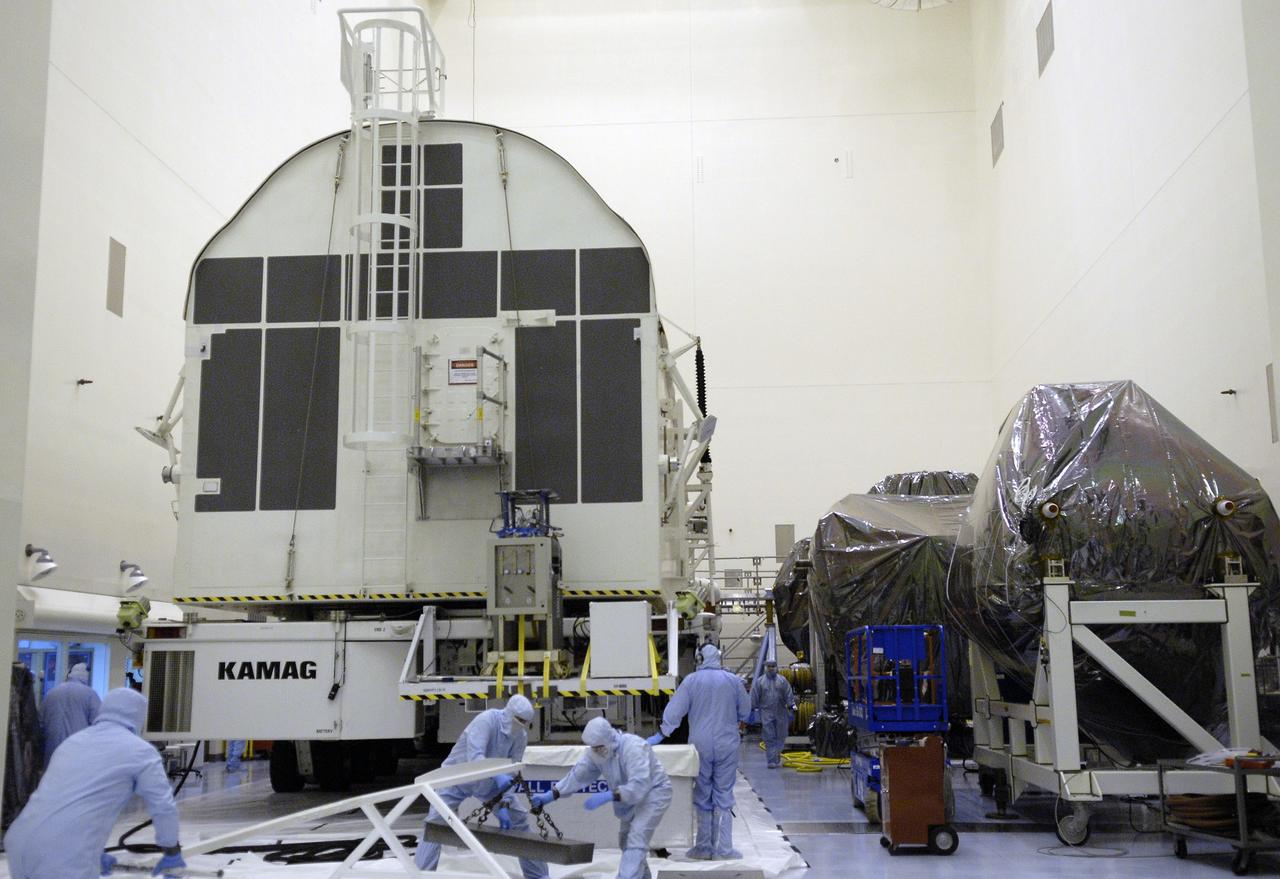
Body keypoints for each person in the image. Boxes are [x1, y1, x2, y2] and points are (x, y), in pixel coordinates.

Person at [5, 688, 185, 879]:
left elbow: (65, 801)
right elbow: (163, 806)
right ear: (139, 716)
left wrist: (94, 854)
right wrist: (171, 852)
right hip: (64, 853)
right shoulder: (140, 752)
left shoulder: (72, 742)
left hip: (19, 841)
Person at [414, 694, 548, 879]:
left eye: (525, 722)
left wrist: (504, 803)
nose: (521, 725)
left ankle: (538, 876)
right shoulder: (486, 720)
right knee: (435, 825)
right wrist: (498, 776)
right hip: (457, 778)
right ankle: (421, 875)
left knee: (520, 823)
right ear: (509, 713)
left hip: (490, 785)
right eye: (519, 720)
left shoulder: (520, 736)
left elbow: (511, 769)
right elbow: (475, 758)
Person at [531, 717, 671, 879]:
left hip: (653, 793)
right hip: (627, 797)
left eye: (598, 747)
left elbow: (640, 784)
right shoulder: (599, 752)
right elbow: (578, 775)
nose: (596, 751)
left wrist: (610, 795)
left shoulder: (633, 747)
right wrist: (552, 794)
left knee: (636, 838)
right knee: (626, 841)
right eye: (593, 748)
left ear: (608, 738)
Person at [646, 643, 751, 860]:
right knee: (723, 793)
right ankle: (723, 849)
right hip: (727, 743)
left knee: (703, 793)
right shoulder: (732, 681)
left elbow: (675, 711)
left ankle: (703, 847)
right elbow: (745, 710)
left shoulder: (691, 681)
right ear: (719, 657)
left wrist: (662, 733)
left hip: (700, 745)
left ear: (699, 658)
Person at [40, 662, 101, 767]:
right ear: (86, 677)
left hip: (52, 750)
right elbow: (98, 723)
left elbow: (40, 723)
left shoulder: (52, 693)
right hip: (77, 751)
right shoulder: (90, 694)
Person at [750, 659, 796, 769]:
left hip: (781, 712)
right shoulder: (760, 682)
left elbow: (788, 694)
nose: (770, 668)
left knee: (781, 735)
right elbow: (755, 696)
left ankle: (776, 756)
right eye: (768, 666)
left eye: (773, 666)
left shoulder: (782, 681)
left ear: (776, 667)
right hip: (766, 713)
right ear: (765, 667)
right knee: (769, 736)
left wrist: (791, 706)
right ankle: (771, 760)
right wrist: (752, 708)